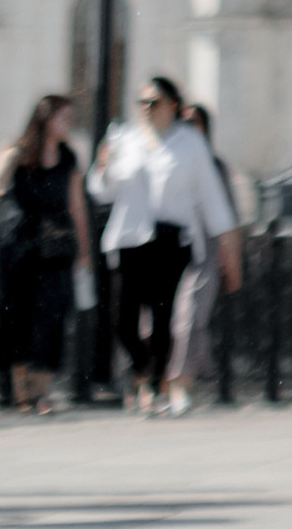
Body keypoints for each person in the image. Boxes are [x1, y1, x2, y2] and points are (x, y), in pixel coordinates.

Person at [92, 80, 240, 413]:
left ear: (172, 104)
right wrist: (102, 165)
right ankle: (144, 369)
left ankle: (155, 385)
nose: (146, 108)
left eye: (154, 102)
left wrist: (228, 246)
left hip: (172, 238)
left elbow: (211, 197)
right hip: (130, 236)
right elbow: (103, 191)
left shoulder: (190, 144)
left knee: (163, 316)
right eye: (141, 102)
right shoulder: (125, 139)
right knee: (124, 320)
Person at [0, 95, 88, 412]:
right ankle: (19, 392)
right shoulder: (17, 150)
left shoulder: (68, 157)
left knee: (52, 316)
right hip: (20, 244)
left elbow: (77, 206)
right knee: (17, 315)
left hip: (55, 247)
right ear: (45, 119)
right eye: (63, 117)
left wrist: (83, 253)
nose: (68, 124)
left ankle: (41, 391)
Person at [161, 103, 240, 413]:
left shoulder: (216, 167)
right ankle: (158, 382)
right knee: (157, 321)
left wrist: (231, 259)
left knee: (190, 317)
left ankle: (182, 381)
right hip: (170, 250)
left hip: (205, 252)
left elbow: (228, 215)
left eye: (195, 123)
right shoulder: (168, 162)